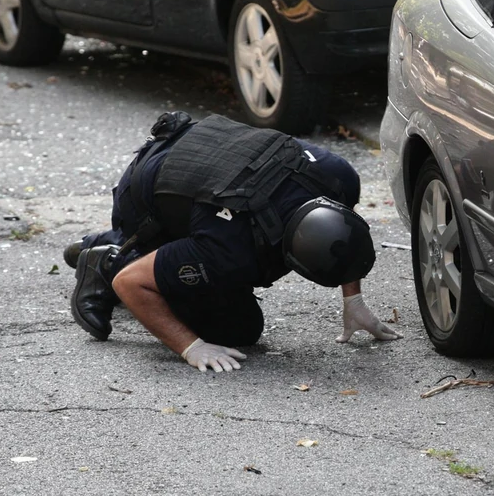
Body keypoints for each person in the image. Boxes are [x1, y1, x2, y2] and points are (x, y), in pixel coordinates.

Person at [66, 112, 400, 372]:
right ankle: (110, 258)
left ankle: (118, 244)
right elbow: (130, 285)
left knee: (220, 282)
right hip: (143, 198)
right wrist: (189, 346)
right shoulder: (230, 249)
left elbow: (340, 236)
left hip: (198, 155)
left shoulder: (337, 178)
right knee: (237, 328)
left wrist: (352, 301)